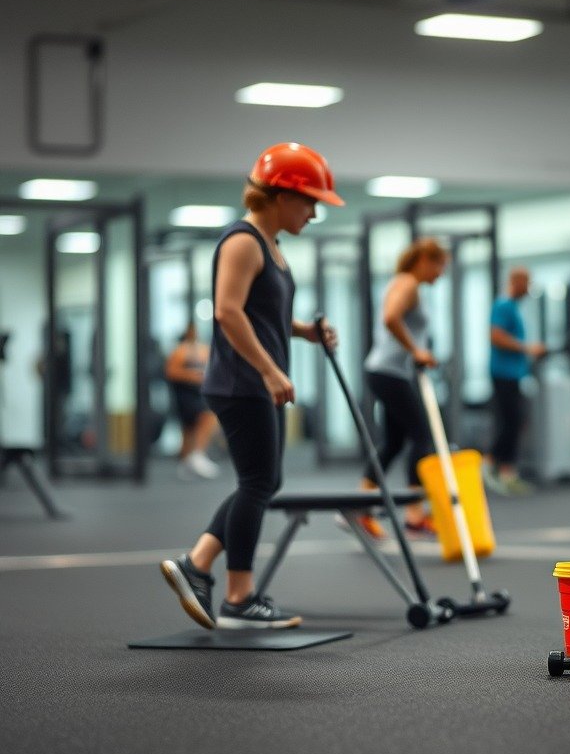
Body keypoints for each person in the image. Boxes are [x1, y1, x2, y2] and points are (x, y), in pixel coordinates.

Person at [159, 142, 343, 630]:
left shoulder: (270, 244)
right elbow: (227, 311)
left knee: (264, 481)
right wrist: (268, 369)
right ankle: (237, 595)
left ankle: (198, 565)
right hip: (241, 383)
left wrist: (303, 331)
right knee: (259, 482)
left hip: (253, 382)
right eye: (311, 202)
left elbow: (262, 315)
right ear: (283, 195)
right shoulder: (243, 241)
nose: (314, 214)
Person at [354, 237, 448, 540]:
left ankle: (360, 508)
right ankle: (414, 515)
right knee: (422, 437)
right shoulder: (408, 283)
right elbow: (390, 318)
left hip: (387, 371)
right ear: (425, 261)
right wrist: (415, 350)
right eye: (439, 267)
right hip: (389, 372)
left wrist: (417, 352)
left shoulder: (404, 283)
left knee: (394, 442)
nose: (440, 274)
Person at [485, 267, 546, 495]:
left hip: (513, 373)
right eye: (526, 283)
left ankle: (506, 472)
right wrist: (528, 348)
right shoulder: (503, 305)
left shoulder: (512, 307)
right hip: (503, 373)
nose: (528, 288)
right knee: (511, 421)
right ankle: (490, 465)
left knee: (515, 422)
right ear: (516, 282)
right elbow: (496, 336)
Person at [164, 323, 220, 480]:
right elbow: (171, 372)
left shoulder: (203, 349)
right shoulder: (179, 352)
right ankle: (196, 456)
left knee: (201, 421)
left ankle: (192, 459)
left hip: (200, 393)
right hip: (185, 395)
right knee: (202, 420)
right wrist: (194, 376)